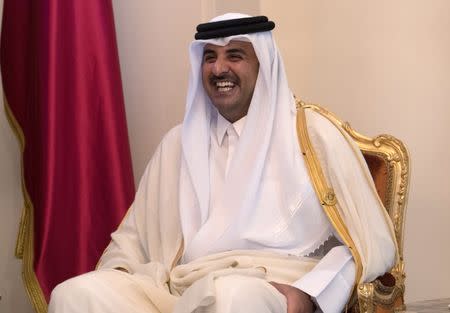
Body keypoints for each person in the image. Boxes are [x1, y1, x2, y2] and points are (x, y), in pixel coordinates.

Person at [48, 13, 397, 313]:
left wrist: (310, 293)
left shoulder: (313, 136)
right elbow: (132, 239)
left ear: (264, 64)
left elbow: (367, 245)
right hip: (179, 287)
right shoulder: (176, 144)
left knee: (231, 295)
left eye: (235, 55)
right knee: (75, 295)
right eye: (209, 57)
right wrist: (119, 277)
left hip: (268, 286)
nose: (219, 69)